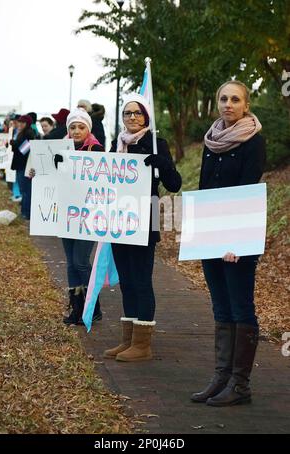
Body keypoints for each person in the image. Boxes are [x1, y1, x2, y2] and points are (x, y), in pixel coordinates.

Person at [191, 80, 266, 406]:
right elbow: (205, 187)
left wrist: (237, 240)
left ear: (246, 104)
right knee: (220, 307)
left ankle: (240, 385)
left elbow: (247, 191)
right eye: (223, 98)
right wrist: (198, 234)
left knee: (240, 306)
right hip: (210, 234)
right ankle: (221, 377)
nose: (228, 104)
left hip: (239, 238)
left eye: (235, 99)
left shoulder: (253, 141)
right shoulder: (211, 141)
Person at [103, 93, 182, 362]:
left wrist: (163, 164)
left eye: (137, 113)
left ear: (146, 117)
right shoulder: (115, 146)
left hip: (144, 222)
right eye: (127, 113)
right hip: (117, 221)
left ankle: (143, 344)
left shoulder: (157, 144)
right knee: (126, 281)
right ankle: (128, 340)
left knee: (141, 280)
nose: (132, 117)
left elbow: (174, 184)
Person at [54, 108, 104, 326]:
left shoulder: (96, 149)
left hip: (88, 214)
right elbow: (45, 178)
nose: (76, 131)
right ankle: (76, 308)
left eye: (80, 127)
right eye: (72, 127)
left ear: (88, 129)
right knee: (71, 264)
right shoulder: (58, 150)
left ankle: (93, 307)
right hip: (66, 214)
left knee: (81, 261)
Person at [10, 115, 35, 219]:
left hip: (24, 166)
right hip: (21, 165)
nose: (20, 124)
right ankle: (25, 212)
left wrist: (13, 143)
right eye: (19, 122)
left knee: (26, 190)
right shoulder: (21, 133)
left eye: (22, 122)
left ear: (27, 124)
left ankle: (26, 213)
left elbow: (24, 150)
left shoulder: (29, 134)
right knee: (24, 190)